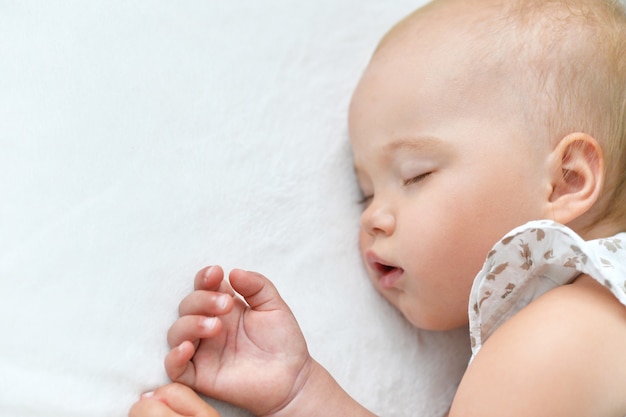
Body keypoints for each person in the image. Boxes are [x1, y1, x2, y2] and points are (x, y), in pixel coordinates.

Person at [129, 0, 626, 415]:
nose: (373, 218)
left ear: (567, 180)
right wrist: (300, 393)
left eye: (416, 175)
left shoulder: (554, 340)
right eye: (365, 192)